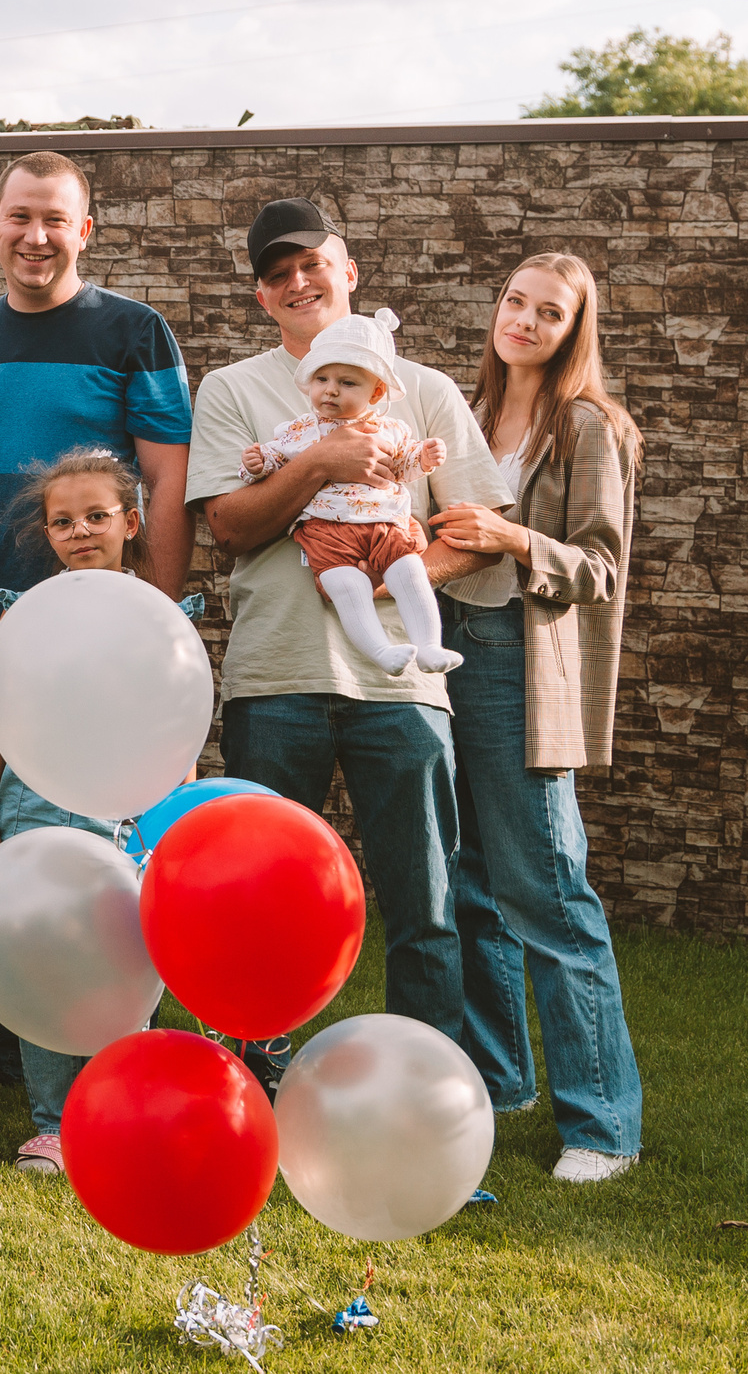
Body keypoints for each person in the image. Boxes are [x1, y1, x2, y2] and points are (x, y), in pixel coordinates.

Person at [189, 197, 512, 1070]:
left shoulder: (427, 391)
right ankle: (257, 1070)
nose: (298, 282)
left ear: (349, 270)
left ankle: (425, 1088)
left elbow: (476, 530)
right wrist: (321, 461)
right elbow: (229, 527)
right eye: (276, 273)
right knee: (263, 898)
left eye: (312, 263)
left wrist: (393, 577)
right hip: (276, 678)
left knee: (426, 900)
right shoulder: (232, 389)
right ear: (262, 296)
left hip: (403, 686)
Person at [0, 151, 192, 1089]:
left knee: (97, 835)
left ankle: (103, 1019)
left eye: (55, 220)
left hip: (96, 641)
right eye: (18, 217)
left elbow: (164, 479)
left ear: (86, 229)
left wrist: (152, 620)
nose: (35, 237)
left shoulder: (134, 332)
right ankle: (5, 1029)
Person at [429, 253, 646, 1183]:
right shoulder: (470, 415)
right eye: (514, 300)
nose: (522, 319)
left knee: (550, 893)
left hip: (521, 662)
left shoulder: (589, 426)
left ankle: (602, 1124)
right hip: (447, 653)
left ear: (573, 329)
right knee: (470, 883)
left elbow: (599, 566)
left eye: (547, 312)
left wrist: (513, 537)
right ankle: (500, 1075)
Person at [0, 449, 159, 1176]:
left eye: (97, 516)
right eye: (63, 521)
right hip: (35, 806)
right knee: (44, 953)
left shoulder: (152, 618)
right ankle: (53, 1121)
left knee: (126, 955)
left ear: (130, 522)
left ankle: (118, 1106)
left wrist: (170, 821)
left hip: (126, 812)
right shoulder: (30, 617)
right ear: (47, 533)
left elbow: (176, 722)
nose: (81, 532)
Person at [240, 308, 459, 676]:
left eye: (347, 382)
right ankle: (380, 651)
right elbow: (275, 462)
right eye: (321, 378)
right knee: (347, 587)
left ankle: (429, 646)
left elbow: (402, 469)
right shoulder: (299, 430)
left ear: (376, 391)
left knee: (410, 572)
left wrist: (423, 457)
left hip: (386, 526)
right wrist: (255, 464)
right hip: (326, 532)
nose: (331, 390)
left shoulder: (391, 430)